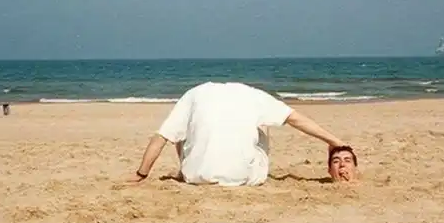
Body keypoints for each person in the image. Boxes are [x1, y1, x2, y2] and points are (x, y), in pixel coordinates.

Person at [127, 81, 350, 186]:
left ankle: (186, 169)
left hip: (195, 178)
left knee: (179, 130)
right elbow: (296, 120)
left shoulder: (194, 94)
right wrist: (334, 141)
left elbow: (161, 138)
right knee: (263, 125)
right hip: (244, 178)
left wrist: (141, 174)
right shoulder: (254, 95)